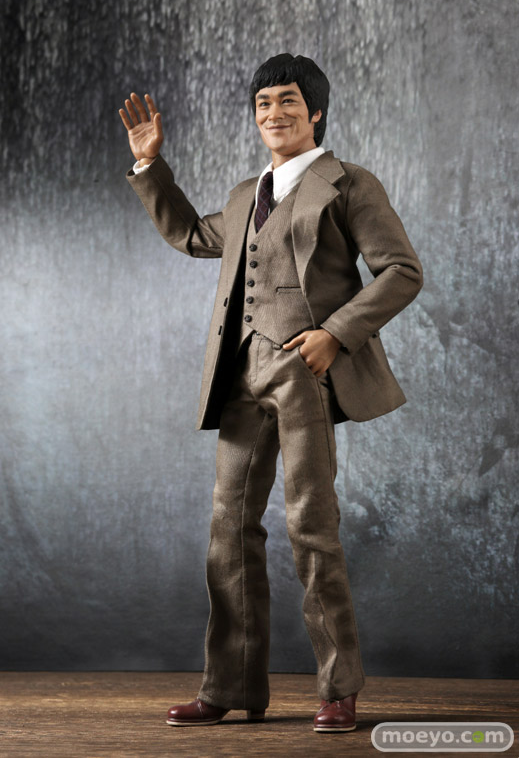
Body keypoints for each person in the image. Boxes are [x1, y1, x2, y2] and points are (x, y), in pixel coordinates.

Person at [119, 53, 423, 733]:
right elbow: (189, 235)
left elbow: (402, 270)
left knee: (310, 524)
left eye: (287, 101)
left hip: (303, 373)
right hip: (241, 376)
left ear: (315, 111)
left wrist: (336, 334)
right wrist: (149, 165)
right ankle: (229, 685)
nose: (273, 113)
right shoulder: (243, 197)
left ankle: (339, 687)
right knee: (228, 528)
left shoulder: (349, 184)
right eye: (263, 103)